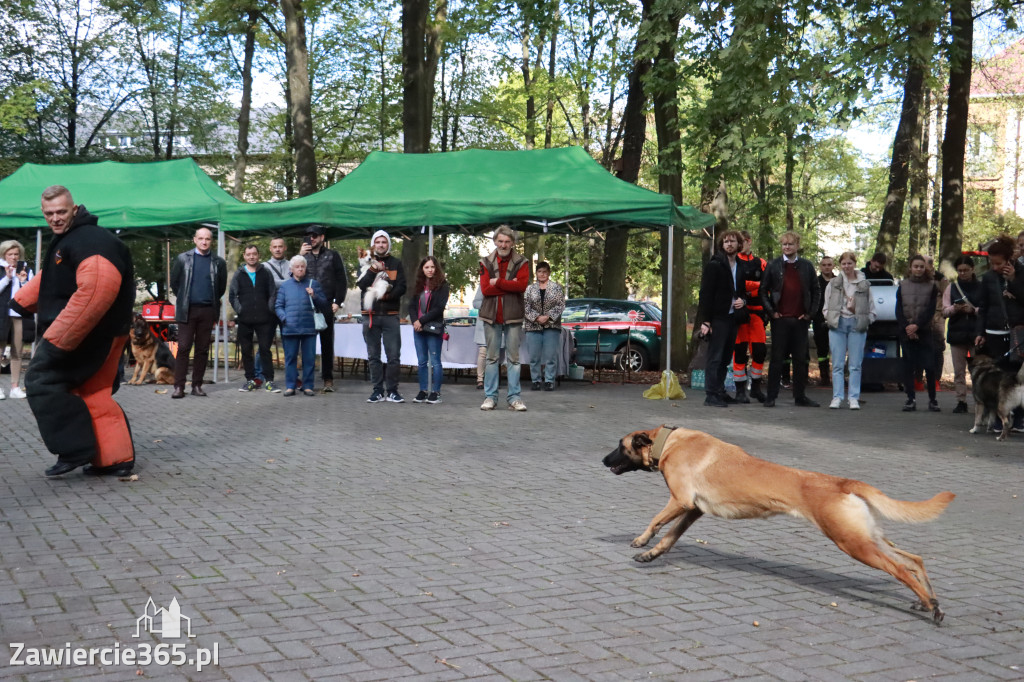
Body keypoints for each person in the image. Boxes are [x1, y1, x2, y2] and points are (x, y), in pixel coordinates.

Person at [11, 186, 135, 477]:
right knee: (93, 391)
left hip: (88, 334)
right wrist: (20, 302)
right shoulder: (74, 239)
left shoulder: (90, 241)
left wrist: (58, 341)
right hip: (103, 333)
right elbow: (54, 275)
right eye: (49, 213)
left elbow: (96, 290)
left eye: (61, 212)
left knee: (42, 380)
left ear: (75, 208)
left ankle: (74, 449)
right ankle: (115, 459)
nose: (55, 218)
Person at [760, 231, 820, 408]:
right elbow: (763, 291)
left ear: (797, 245)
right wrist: (772, 312)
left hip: (801, 320)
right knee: (777, 359)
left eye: (790, 244)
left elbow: (816, 291)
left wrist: (810, 314)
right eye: (784, 244)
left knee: (801, 360)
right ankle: (771, 396)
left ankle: (800, 396)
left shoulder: (807, 266)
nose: (787, 247)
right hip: (780, 320)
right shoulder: (773, 265)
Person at [973, 235, 1024, 430]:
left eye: (998, 263)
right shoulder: (988, 278)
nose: (994, 267)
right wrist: (980, 332)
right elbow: (983, 307)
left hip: (1016, 332)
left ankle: (1018, 418)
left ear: (1009, 259)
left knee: (1016, 377)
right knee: (996, 377)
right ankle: (997, 419)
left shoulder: (1021, 273)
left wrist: (1013, 281)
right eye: (991, 263)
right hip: (993, 331)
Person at [170, 227, 227, 399]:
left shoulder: (219, 262)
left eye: (208, 239)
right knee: (184, 347)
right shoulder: (182, 259)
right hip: (187, 310)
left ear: (212, 241)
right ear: (194, 239)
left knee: (202, 349)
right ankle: (179, 386)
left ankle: (197, 385)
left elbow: (221, 288)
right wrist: (186, 298)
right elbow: (175, 283)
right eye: (201, 238)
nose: (204, 242)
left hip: (208, 310)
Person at [479, 225, 530, 412]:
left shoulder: (522, 262)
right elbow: (485, 290)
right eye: (500, 241)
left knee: (514, 359)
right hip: (491, 315)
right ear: (495, 241)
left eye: (507, 241)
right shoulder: (485, 261)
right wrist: (510, 284)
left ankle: (515, 398)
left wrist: (498, 282)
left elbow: (522, 286)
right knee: (492, 358)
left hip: (513, 315)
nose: (503, 244)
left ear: (513, 243)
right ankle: (490, 397)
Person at [357, 230, 407, 403]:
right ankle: (377, 390)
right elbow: (362, 285)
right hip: (370, 315)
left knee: (393, 356)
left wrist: (386, 295)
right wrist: (373, 269)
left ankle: (392, 390)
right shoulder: (365, 262)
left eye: (383, 242)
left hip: (390, 315)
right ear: (373, 244)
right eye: (377, 242)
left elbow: (402, 287)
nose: (380, 245)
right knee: (373, 356)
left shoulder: (396, 263)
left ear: (388, 244)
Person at [698, 230, 746, 407]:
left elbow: (741, 291)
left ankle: (720, 390)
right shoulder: (715, 265)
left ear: (739, 244)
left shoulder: (741, 265)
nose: (729, 244)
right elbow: (705, 294)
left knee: (726, 358)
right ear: (722, 245)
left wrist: (743, 300)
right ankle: (710, 395)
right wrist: (706, 321)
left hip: (733, 317)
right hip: (717, 318)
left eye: (732, 241)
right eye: (726, 242)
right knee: (715, 357)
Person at [823, 252, 875, 410]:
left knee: (855, 365)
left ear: (854, 264)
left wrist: (863, 318)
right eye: (844, 264)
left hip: (856, 325)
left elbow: (871, 308)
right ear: (840, 265)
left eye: (849, 263)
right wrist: (830, 318)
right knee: (838, 364)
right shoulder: (833, 283)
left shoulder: (864, 284)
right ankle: (837, 397)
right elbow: (826, 306)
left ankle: (853, 398)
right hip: (837, 325)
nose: (847, 266)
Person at [300, 225, 348, 393]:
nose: (311, 238)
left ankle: (328, 379)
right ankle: (307, 380)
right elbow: (293, 276)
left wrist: (338, 302)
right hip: (306, 307)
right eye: (307, 235)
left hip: (326, 304)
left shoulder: (332, 255)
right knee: (306, 344)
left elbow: (342, 280)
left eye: (314, 235)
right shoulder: (302, 257)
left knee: (327, 344)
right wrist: (300, 256)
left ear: (322, 237)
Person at [230, 244, 280, 393]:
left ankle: (269, 381)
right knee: (246, 350)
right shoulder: (239, 274)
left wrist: (269, 308)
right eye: (248, 254)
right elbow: (233, 295)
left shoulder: (266, 272)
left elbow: (273, 293)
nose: (251, 256)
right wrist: (240, 310)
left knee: (265, 350)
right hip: (245, 319)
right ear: (244, 256)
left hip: (265, 320)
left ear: (258, 256)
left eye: (254, 254)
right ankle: (250, 380)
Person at [275, 255, 326, 397]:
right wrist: (284, 318)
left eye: (302, 266)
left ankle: (308, 385)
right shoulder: (285, 286)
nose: (300, 269)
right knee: (290, 358)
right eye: (297, 267)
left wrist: (314, 295)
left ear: (305, 268)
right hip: (290, 328)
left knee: (309, 359)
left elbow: (324, 304)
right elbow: (278, 306)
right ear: (291, 269)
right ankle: (291, 386)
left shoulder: (313, 284)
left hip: (309, 328)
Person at [896, 254, 940, 412]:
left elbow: (930, 310)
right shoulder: (902, 285)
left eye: (921, 266)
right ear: (910, 268)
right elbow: (899, 309)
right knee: (908, 366)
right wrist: (908, 327)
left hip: (925, 331)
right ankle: (910, 399)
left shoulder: (932, 286)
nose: (919, 269)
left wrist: (917, 326)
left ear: (925, 268)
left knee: (929, 365)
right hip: (906, 331)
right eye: (916, 266)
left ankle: (933, 400)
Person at [731, 231, 767, 403]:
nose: (741, 244)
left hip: (758, 313)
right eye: (738, 242)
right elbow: (734, 285)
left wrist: (750, 288)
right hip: (739, 315)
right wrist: (756, 287)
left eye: (743, 241)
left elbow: (769, 285)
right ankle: (740, 391)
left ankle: (756, 389)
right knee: (738, 353)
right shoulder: (733, 262)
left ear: (749, 242)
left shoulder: (761, 263)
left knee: (760, 351)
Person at [408, 256, 450, 404]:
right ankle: (423, 390)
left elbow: (439, 308)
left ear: (436, 268)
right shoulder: (417, 285)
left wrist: (421, 321)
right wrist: (415, 321)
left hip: (433, 328)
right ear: (422, 269)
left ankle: (436, 392)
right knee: (421, 361)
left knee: (435, 362)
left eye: (432, 267)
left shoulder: (443, 285)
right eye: (426, 267)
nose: (430, 270)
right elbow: (411, 305)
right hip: (418, 329)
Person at [943, 255, 981, 414]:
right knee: (959, 371)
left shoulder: (982, 287)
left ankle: (980, 400)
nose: (963, 273)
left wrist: (973, 310)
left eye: (966, 270)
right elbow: (944, 311)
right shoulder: (951, 288)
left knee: (978, 371)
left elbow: (987, 308)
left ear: (973, 269)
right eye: (960, 271)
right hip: (957, 334)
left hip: (976, 334)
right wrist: (955, 309)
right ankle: (961, 400)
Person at [524, 261, 565, 391]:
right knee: (534, 356)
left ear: (549, 273)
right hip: (533, 326)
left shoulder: (556, 288)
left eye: (545, 272)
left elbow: (560, 305)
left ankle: (549, 380)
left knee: (551, 355)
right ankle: (535, 380)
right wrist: (536, 317)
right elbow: (525, 306)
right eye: (540, 271)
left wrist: (548, 317)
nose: (542, 274)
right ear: (536, 273)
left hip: (551, 326)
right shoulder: (529, 289)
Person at [0, 239, 33, 400]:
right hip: (1, 314)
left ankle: (15, 387)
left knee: (17, 351)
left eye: (16, 254)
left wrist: (23, 281)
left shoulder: (26, 269)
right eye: (10, 254)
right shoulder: (0, 269)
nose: (13, 257)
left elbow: (32, 292)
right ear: (4, 255)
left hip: (18, 315)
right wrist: (7, 278)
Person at [812, 255, 836, 386]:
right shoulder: (815, 282)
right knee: (822, 350)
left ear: (833, 266)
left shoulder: (839, 281)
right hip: (819, 320)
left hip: (837, 320)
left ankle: (838, 376)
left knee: (838, 349)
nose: (827, 267)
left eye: (829, 265)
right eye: (824, 265)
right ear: (820, 267)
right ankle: (824, 377)